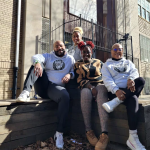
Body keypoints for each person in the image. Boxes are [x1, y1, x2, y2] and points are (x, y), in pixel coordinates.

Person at [16, 40, 75, 149]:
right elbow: (35, 57)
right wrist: (37, 62)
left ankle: (59, 133)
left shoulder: (70, 59)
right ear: (54, 48)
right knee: (37, 65)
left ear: (64, 47)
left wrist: (69, 75)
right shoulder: (48, 56)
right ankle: (25, 92)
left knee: (65, 96)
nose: (59, 48)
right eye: (56, 46)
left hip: (56, 89)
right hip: (44, 86)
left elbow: (73, 71)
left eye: (61, 45)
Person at [101, 43, 146, 150]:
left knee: (140, 80)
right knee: (133, 99)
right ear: (111, 51)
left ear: (122, 51)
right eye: (115, 49)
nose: (117, 51)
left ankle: (116, 102)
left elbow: (135, 72)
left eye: (120, 49)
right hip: (115, 92)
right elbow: (107, 80)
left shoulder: (128, 62)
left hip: (129, 89)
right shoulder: (107, 65)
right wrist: (116, 90)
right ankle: (133, 138)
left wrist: (131, 79)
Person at [74, 41, 109, 150]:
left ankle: (104, 134)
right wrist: (90, 87)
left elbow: (106, 75)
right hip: (87, 87)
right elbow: (79, 80)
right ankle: (89, 131)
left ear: (91, 52)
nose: (86, 54)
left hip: (100, 85)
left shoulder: (99, 62)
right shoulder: (77, 64)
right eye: (83, 52)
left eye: (88, 52)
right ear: (81, 53)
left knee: (101, 90)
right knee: (85, 92)